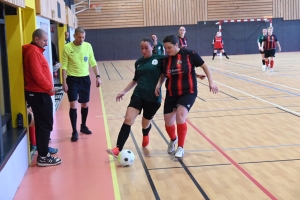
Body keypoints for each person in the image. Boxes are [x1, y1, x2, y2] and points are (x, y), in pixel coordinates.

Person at [155, 35, 218, 158]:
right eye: (165, 48)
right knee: (168, 123)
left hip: (188, 91)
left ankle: (180, 147)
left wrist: (211, 81)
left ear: (177, 45)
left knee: (180, 115)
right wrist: (158, 85)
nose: (167, 50)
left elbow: (204, 65)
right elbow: (164, 74)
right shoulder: (165, 60)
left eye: (169, 47)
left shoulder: (189, 54)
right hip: (171, 93)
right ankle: (173, 139)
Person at [106, 38, 165, 157]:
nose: (143, 51)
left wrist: (159, 85)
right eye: (141, 48)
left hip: (153, 98)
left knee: (145, 124)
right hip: (138, 94)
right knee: (128, 119)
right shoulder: (138, 62)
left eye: (146, 48)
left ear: (152, 47)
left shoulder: (160, 59)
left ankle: (145, 134)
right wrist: (124, 91)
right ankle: (118, 148)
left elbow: (166, 73)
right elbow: (135, 80)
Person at [23, 28, 62, 166]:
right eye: (44, 41)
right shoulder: (33, 52)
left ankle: (43, 151)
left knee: (42, 124)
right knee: (45, 124)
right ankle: (43, 157)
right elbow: (37, 75)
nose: (46, 43)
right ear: (36, 39)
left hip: (40, 92)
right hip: (39, 93)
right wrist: (50, 88)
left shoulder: (36, 51)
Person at [62, 27, 101, 142]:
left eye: (83, 37)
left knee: (84, 104)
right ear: (74, 36)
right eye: (79, 37)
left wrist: (98, 77)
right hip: (72, 79)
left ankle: (83, 126)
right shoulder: (67, 47)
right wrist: (64, 82)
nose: (81, 39)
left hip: (85, 79)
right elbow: (64, 65)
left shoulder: (88, 46)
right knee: (73, 105)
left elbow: (92, 61)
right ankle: (74, 131)